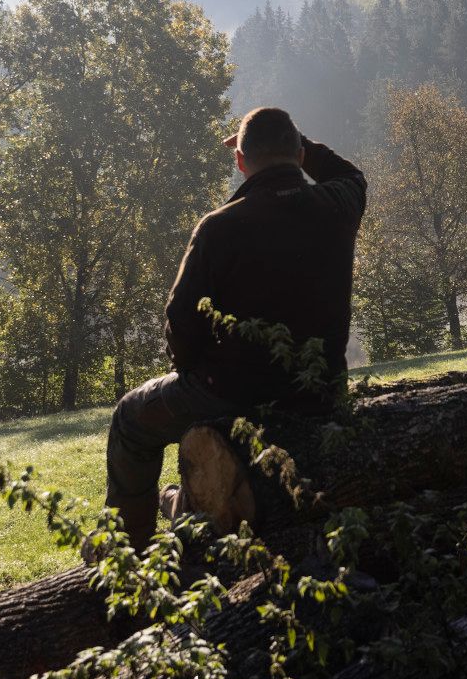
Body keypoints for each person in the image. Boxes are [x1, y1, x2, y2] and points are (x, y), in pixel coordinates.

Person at [105, 106, 366, 549]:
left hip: (229, 391)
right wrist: (302, 146)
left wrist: (194, 371)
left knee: (131, 419)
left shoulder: (218, 228)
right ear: (299, 153)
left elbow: (180, 320)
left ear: (240, 162)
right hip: (319, 391)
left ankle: (131, 551)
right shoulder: (337, 205)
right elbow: (351, 175)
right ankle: (180, 506)